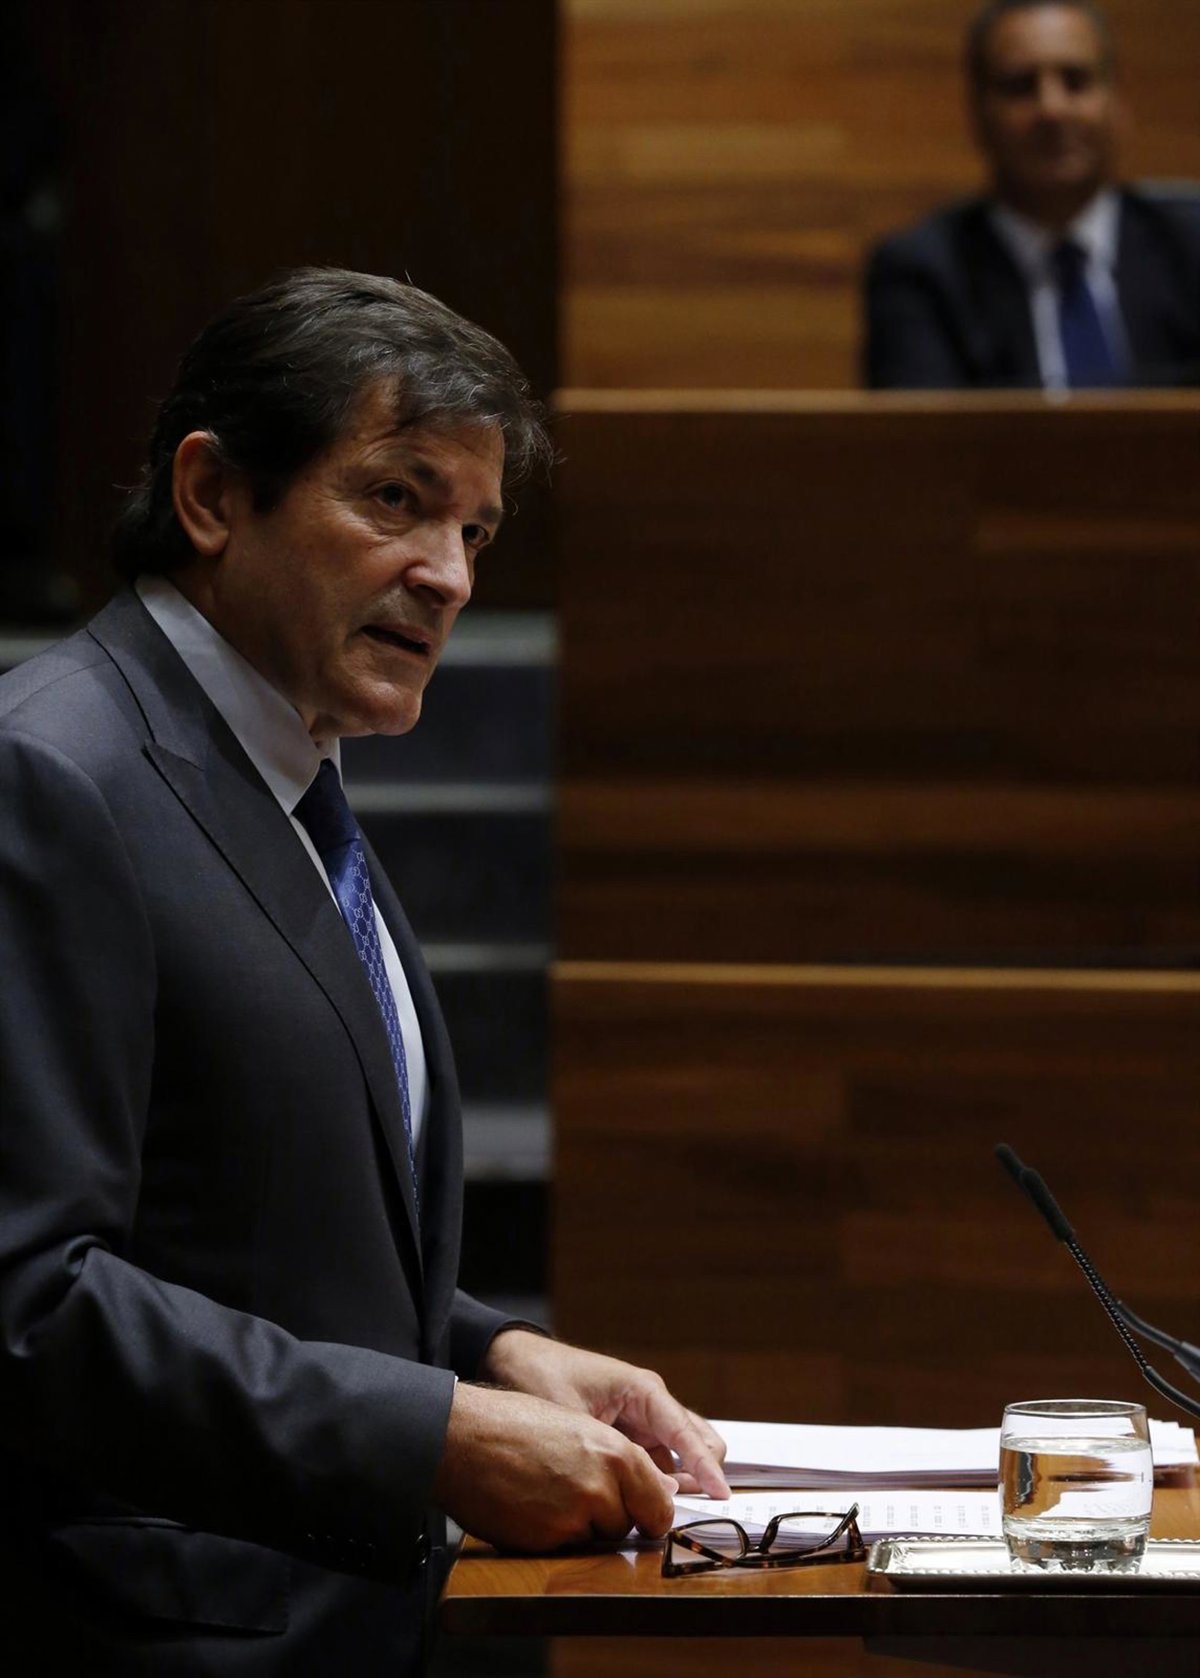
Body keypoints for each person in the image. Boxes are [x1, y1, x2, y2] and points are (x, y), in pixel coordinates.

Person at [0, 268, 729, 1675]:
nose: (449, 573)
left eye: (475, 528)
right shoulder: (52, 775)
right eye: (397, 499)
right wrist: (432, 1433)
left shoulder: (278, 775)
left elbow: (237, 1226)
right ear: (213, 495)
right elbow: (32, 1298)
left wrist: (484, 1353)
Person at [862, 0, 1200, 389]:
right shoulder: (923, 274)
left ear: (1116, 103)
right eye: (1021, 87)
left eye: (1076, 81)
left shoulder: (1190, 247)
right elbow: (921, 425)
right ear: (979, 114)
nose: (1052, 109)